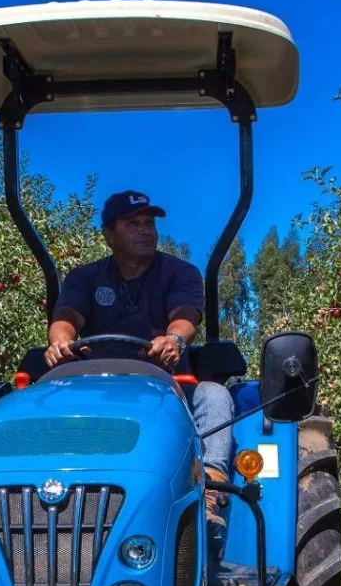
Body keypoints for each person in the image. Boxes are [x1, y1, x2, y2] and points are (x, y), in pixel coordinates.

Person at [44, 190, 234, 531]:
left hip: (166, 390)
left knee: (215, 396)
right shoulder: (85, 278)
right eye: (134, 224)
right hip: (94, 393)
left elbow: (185, 314)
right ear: (109, 234)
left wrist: (174, 339)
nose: (146, 230)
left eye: (149, 223)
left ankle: (209, 494)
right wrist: (60, 341)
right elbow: (67, 316)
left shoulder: (179, 273)